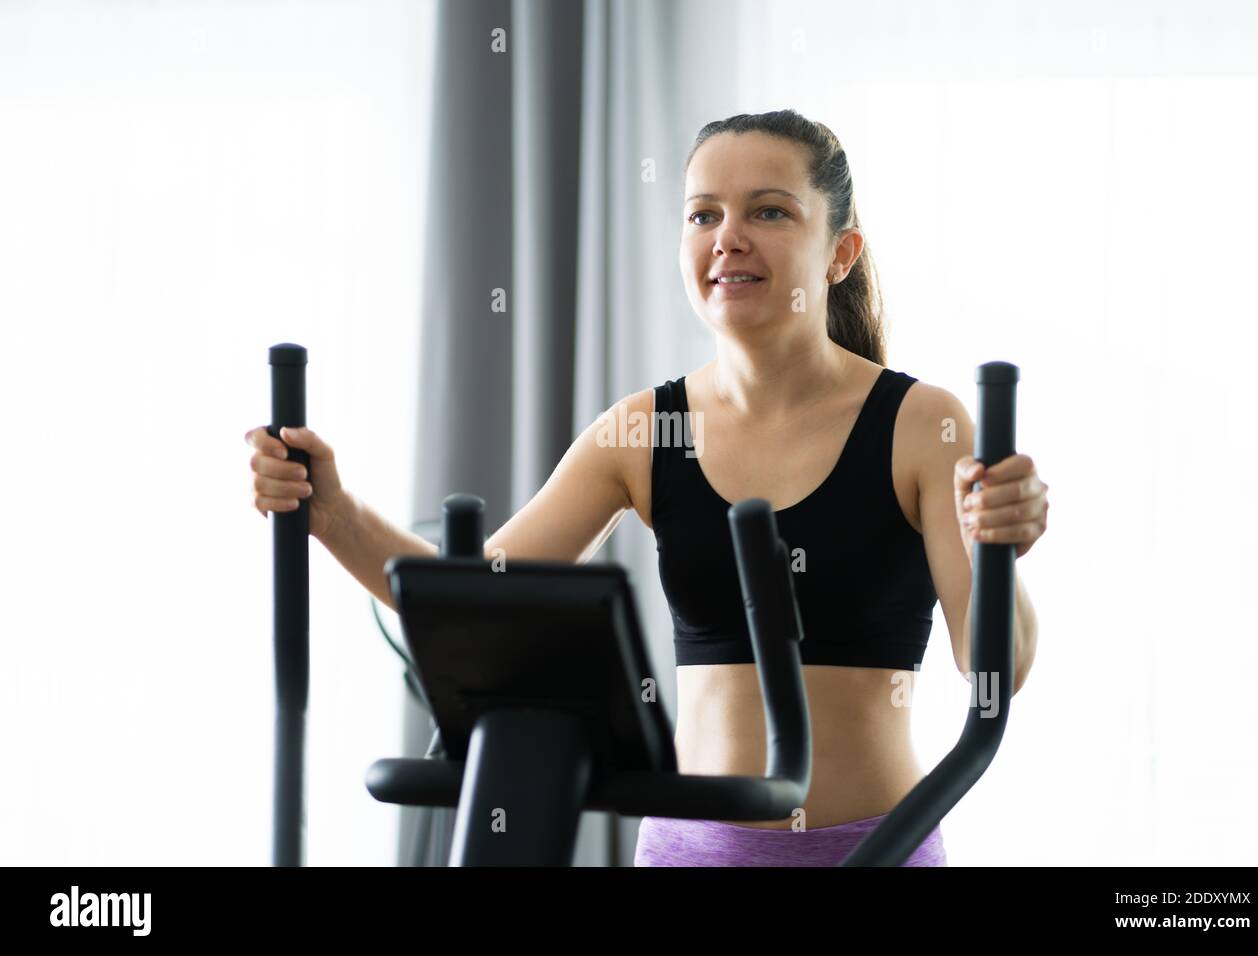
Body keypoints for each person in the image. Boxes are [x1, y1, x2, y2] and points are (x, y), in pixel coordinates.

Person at [244, 108, 1050, 867]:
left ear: (840, 253)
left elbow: (994, 672)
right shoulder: (644, 430)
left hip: (876, 846)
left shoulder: (922, 424)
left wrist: (997, 546)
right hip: (684, 853)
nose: (727, 238)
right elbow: (476, 592)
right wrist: (333, 511)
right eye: (703, 215)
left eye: (768, 212)